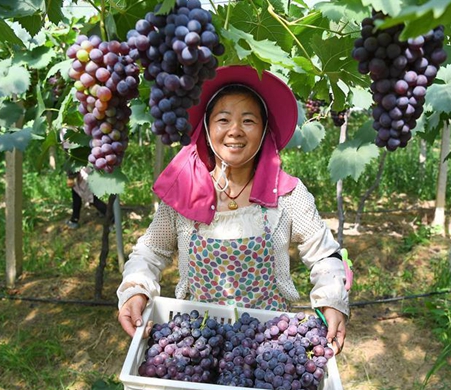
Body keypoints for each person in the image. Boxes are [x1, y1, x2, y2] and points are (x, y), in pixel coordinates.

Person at [116, 65, 350, 354]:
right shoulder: (186, 191)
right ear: (206, 127)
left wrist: (332, 300)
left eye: (248, 120)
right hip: (199, 341)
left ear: (264, 129)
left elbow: (324, 254)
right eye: (223, 119)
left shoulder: (287, 194)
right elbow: (150, 252)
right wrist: (135, 289)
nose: (235, 131)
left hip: (270, 344)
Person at [60, 128, 108, 229]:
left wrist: (71, 176)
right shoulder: (74, 126)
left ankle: (111, 216)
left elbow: (72, 155)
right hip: (85, 167)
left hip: (82, 170)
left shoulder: (67, 130)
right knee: (76, 194)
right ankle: (74, 219)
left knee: (91, 197)